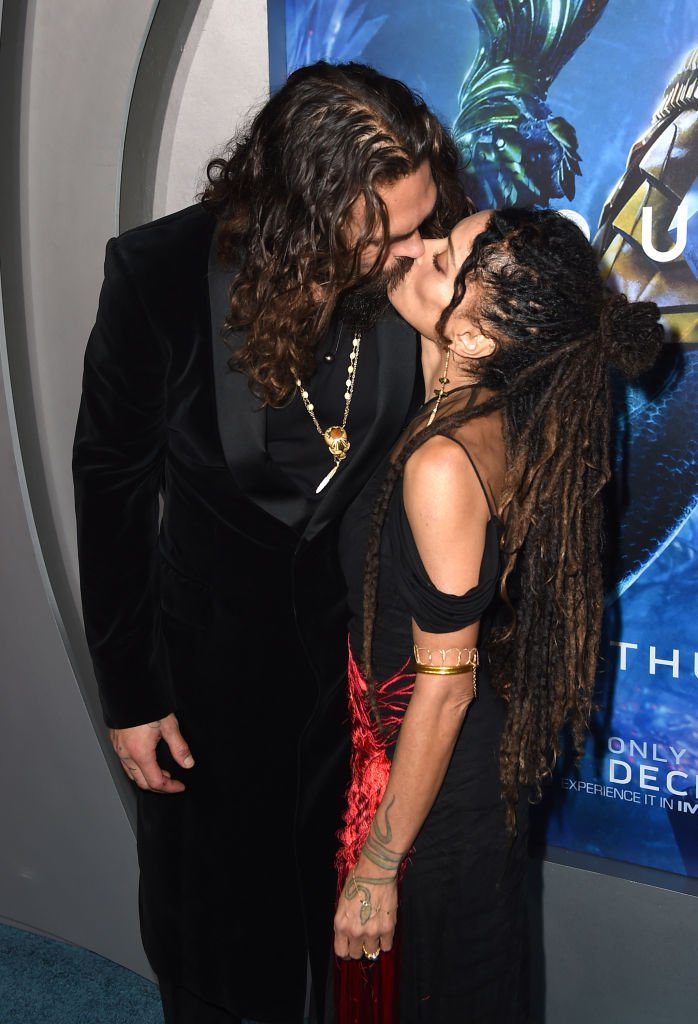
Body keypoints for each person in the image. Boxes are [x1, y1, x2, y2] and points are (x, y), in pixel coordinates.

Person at [72, 62, 470, 1024]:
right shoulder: (158, 275)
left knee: (337, 936)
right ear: (305, 208)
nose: (417, 249)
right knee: (212, 941)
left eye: (426, 220)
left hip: (354, 679)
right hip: (205, 677)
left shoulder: (411, 281)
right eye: (388, 231)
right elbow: (110, 484)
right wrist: (130, 690)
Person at [333, 207, 663, 1022]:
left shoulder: (446, 463)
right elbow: (436, 337)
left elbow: (443, 689)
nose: (414, 250)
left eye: (441, 257)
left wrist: (378, 864)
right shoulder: (492, 402)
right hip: (441, 765)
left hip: (432, 786)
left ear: (476, 339)